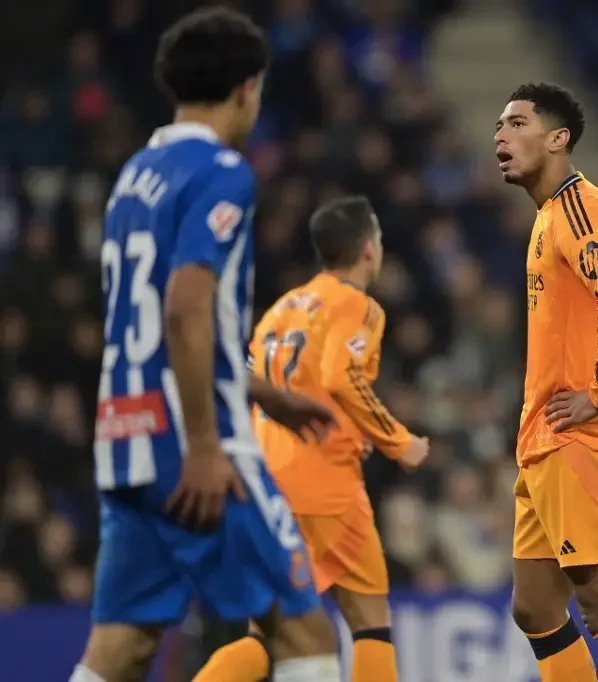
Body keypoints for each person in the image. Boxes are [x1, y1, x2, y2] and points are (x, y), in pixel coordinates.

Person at [71, 8, 341, 682]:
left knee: (121, 650)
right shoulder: (223, 171)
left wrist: (262, 391)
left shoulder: (135, 175)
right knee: (304, 632)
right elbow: (186, 308)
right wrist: (203, 443)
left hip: (127, 437)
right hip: (192, 445)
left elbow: (153, 325)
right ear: (247, 89)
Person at [198, 196, 431, 682]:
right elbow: (340, 375)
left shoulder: (282, 308)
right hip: (326, 486)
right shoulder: (360, 307)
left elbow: (253, 383)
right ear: (369, 249)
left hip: (268, 482)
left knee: (266, 636)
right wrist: (399, 441)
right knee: (370, 623)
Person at [494, 82, 598, 682]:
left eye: (516, 124)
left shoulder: (581, 209)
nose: (500, 136)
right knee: (535, 607)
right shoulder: (549, 216)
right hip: (547, 436)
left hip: (586, 438)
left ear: (557, 138)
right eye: (498, 126)